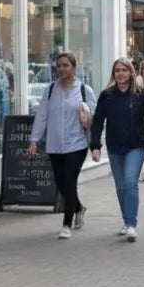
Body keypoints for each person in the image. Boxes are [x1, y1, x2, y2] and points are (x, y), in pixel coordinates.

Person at [27, 51, 96, 239]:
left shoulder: (84, 90)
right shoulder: (50, 90)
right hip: (55, 144)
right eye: (59, 66)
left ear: (74, 68)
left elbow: (95, 116)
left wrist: (88, 118)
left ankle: (66, 224)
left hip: (77, 143)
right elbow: (42, 117)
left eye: (66, 65)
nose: (62, 69)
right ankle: (79, 208)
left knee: (70, 179)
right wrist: (34, 140)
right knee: (61, 182)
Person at [89, 58, 144, 242]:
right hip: (114, 146)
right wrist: (95, 146)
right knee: (120, 187)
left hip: (136, 145)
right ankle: (126, 219)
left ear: (131, 73)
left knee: (130, 182)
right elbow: (97, 122)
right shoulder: (107, 95)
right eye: (117, 71)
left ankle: (131, 224)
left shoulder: (141, 94)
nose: (120, 74)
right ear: (113, 74)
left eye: (124, 70)